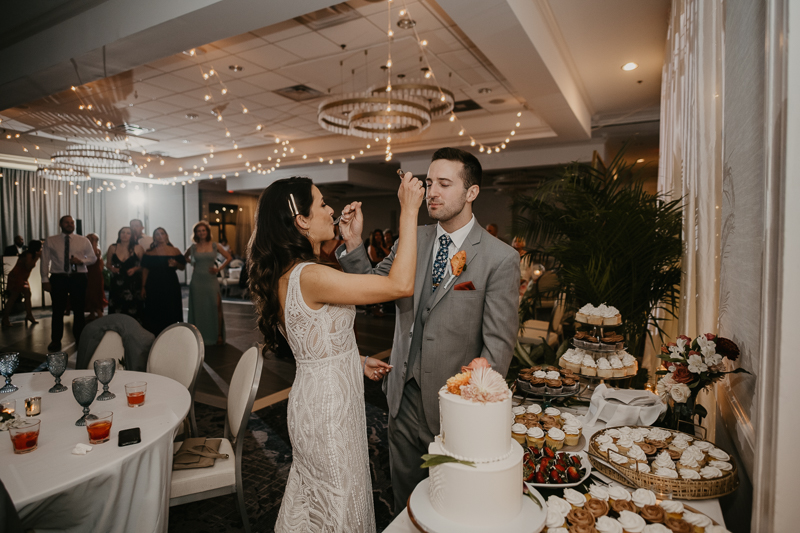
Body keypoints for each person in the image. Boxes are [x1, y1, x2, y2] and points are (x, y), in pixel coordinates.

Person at [337, 147, 520, 512]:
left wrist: (470, 405)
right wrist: (355, 243)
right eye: (430, 182)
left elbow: (498, 345)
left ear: (471, 193)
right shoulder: (412, 240)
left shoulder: (500, 258)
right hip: (400, 397)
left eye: (445, 184)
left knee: (454, 503)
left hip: (454, 409)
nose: (432, 192)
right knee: (405, 498)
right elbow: (373, 287)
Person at [248, 174, 423, 532]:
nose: (331, 211)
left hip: (321, 397)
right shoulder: (309, 275)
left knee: (323, 498)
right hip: (329, 410)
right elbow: (400, 285)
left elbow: (310, 338)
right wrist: (408, 211)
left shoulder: (290, 273)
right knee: (340, 500)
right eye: (323, 204)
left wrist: (353, 360)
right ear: (302, 221)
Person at [41, 215, 98, 351]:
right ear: (60, 224)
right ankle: (55, 341)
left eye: (72, 222)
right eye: (67, 222)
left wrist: (81, 261)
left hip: (78, 277)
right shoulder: (51, 240)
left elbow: (93, 258)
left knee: (79, 310)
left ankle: (79, 339)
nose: (70, 224)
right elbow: (45, 260)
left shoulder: (83, 240)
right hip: (58, 277)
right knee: (57, 310)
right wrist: (44, 279)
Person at [185, 220, 232, 345]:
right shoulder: (193, 247)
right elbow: (184, 257)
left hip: (211, 280)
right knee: (198, 308)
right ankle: (198, 336)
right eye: (199, 231)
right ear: (196, 233)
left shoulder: (215, 245)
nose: (201, 233)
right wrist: (193, 263)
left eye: (203, 230)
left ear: (207, 232)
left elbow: (229, 257)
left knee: (215, 306)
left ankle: (218, 335)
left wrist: (219, 269)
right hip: (197, 280)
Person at [141, 228, 186, 335]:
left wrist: (176, 264)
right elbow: (145, 270)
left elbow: (182, 266)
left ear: (166, 235)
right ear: (154, 237)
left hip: (170, 284)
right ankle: (154, 334)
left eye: (162, 233)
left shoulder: (175, 250)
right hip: (153, 284)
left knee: (171, 308)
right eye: (157, 234)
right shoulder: (149, 252)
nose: (160, 236)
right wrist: (143, 286)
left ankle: (171, 334)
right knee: (154, 308)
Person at [107, 227, 145, 322]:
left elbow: (145, 266)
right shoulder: (113, 247)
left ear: (132, 235)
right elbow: (108, 264)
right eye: (123, 232)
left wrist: (135, 268)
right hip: (117, 282)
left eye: (128, 233)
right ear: (119, 234)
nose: (125, 235)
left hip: (133, 283)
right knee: (116, 309)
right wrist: (112, 268)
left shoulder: (138, 248)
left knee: (133, 310)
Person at [1, 240, 42, 328]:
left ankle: (29, 315)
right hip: (17, 278)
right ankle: (5, 319)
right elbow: (28, 266)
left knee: (27, 294)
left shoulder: (28, 254)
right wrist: (37, 257)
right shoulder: (29, 255)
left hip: (22, 278)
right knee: (13, 297)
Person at [84, 233, 107, 320]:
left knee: (95, 293)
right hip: (87, 273)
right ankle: (92, 313)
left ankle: (99, 314)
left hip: (95, 275)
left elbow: (94, 256)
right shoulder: (84, 249)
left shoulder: (96, 250)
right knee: (88, 293)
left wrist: (93, 241)